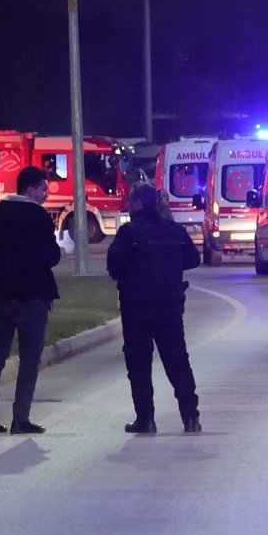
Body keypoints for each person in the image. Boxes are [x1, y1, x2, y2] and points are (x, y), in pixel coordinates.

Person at [0, 165, 64, 435]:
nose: (46, 196)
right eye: (44, 190)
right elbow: (51, 256)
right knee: (29, 359)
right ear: (31, 189)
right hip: (32, 298)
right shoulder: (38, 217)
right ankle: (20, 419)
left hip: (1, 297)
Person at [106, 183, 202, 435]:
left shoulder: (129, 233)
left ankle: (146, 419)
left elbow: (114, 264)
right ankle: (190, 416)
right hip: (170, 306)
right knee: (177, 360)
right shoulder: (174, 230)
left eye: (131, 201)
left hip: (136, 307)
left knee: (138, 364)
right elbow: (193, 259)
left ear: (138, 204)